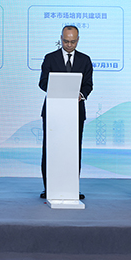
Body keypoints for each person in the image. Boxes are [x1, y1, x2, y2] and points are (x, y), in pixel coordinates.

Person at [38, 25, 93, 199]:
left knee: (74, 150)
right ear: (61, 38)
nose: (69, 45)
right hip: (53, 111)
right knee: (51, 149)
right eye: (66, 41)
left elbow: (88, 84)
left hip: (76, 111)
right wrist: (58, 89)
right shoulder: (50, 58)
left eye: (73, 41)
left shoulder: (85, 60)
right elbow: (42, 82)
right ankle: (49, 187)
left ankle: (72, 187)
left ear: (78, 40)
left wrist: (80, 95)